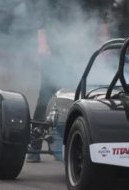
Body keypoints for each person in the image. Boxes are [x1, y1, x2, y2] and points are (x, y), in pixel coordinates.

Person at [26, 0, 114, 162]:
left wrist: (104, 41)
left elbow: (101, 14)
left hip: (83, 41)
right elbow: (41, 11)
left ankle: (66, 145)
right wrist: (43, 43)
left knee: (81, 92)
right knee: (47, 92)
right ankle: (34, 144)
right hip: (55, 40)